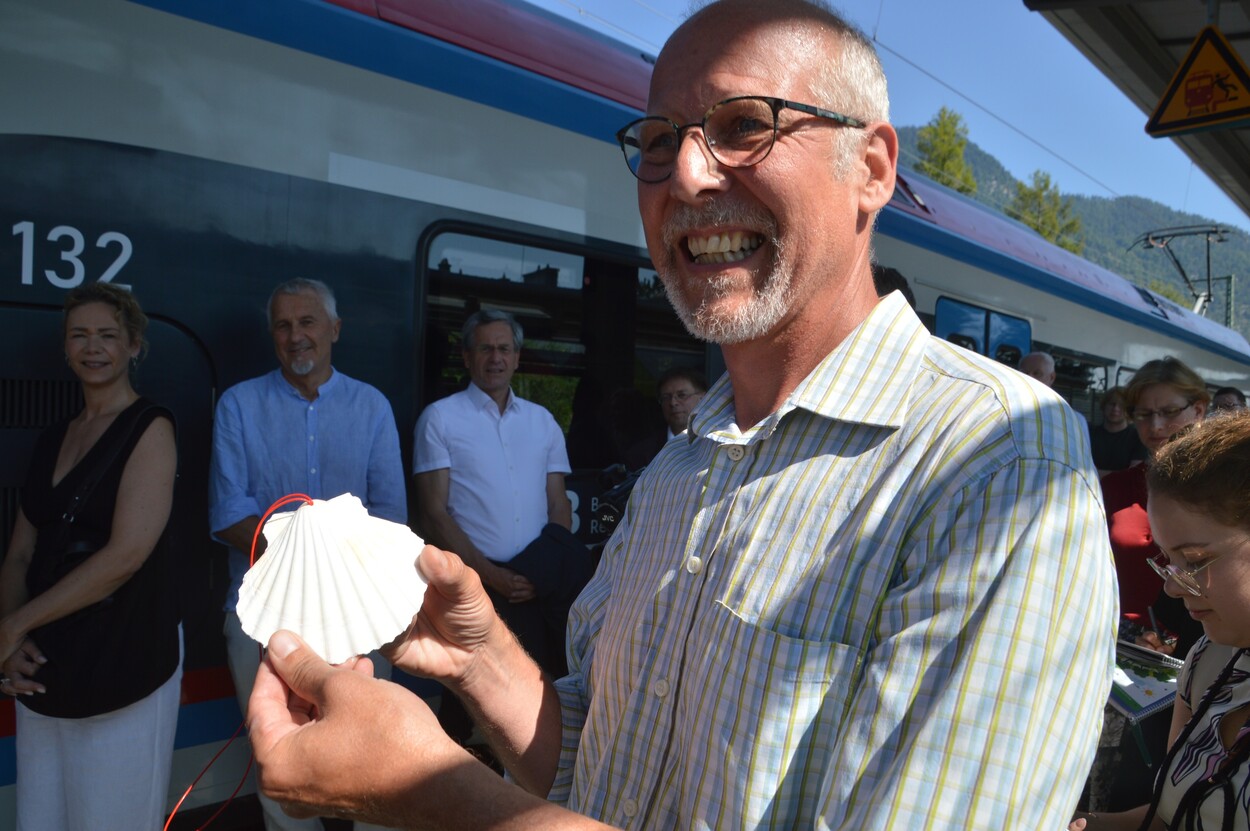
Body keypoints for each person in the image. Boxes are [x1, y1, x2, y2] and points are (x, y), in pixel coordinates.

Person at [247, 3, 1116, 829]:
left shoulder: (999, 462)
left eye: (745, 123)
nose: (687, 175)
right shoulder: (680, 466)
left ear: (873, 169)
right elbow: (598, 766)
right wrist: (481, 659)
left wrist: (438, 793)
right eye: (660, 141)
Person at [209, 277, 406, 831]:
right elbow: (227, 515)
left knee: (377, 766)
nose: (296, 336)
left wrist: (317, 558)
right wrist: (318, 553)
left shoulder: (371, 407)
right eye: (283, 325)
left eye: (308, 322)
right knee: (283, 776)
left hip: (361, 616)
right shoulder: (239, 406)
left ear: (334, 330)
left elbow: (391, 516)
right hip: (261, 619)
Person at [0, 283, 180, 830]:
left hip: (124, 656)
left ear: (134, 346)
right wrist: (13, 644)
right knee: (42, 820)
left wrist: (13, 626)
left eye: (107, 335)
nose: (92, 346)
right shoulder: (55, 436)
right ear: (65, 348)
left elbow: (126, 555)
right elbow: (19, 555)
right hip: (46, 666)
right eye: (80, 335)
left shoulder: (152, 428)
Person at [1070, 409, 1250, 830]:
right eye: (1167, 561)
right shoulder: (1210, 659)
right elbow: (1169, 816)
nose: (1171, 586)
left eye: (1194, 559)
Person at [412, 309, 574, 682]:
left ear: (517, 358)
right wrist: (491, 576)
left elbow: (558, 505)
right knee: (470, 695)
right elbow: (433, 514)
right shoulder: (439, 419)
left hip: (535, 588)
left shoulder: (542, 421)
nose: (496, 358)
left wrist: (542, 571)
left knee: (537, 689)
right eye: (485, 349)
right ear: (467, 357)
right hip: (471, 586)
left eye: (504, 348)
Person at [1101, 357, 1210, 657]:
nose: (1156, 425)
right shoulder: (1113, 488)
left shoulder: (1225, 488)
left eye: (1168, 411)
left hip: (1208, 642)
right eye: (1144, 414)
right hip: (1120, 639)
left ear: (1198, 409)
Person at [1090, 386, 1147, 474]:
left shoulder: (1138, 437)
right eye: (1112, 404)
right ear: (1104, 406)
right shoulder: (1090, 434)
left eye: (1122, 405)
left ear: (1129, 411)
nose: (1116, 409)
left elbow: (1133, 475)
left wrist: (1095, 474)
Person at [656, 367, 707, 437]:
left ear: (702, 398)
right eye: (666, 397)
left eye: (682, 395)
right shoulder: (644, 446)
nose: (673, 403)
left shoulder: (717, 443)